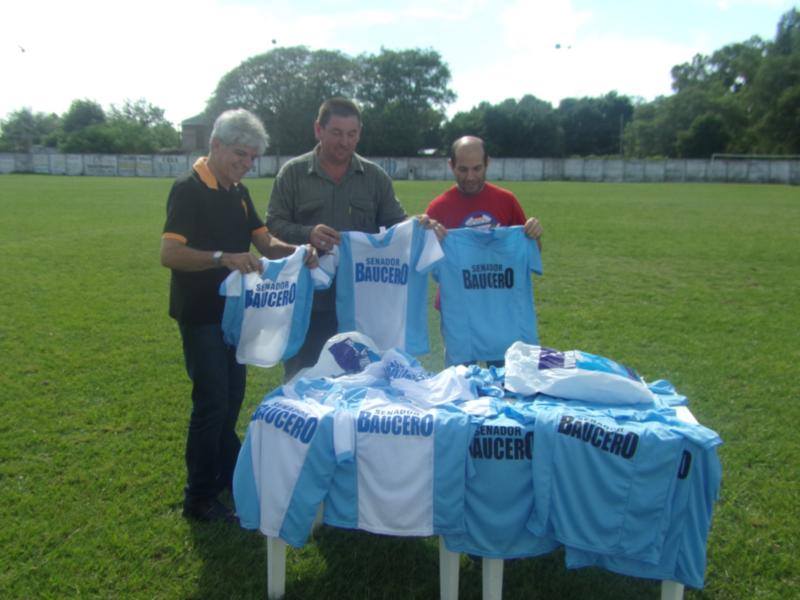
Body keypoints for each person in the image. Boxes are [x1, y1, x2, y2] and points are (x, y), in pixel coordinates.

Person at [161, 108, 313, 522]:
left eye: (252, 158)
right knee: (211, 403)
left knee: (230, 401)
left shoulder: (239, 192)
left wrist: (301, 252)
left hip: (238, 316)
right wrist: (221, 257)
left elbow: (265, 243)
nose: (246, 164)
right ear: (216, 145)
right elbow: (169, 253)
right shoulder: (188, 189)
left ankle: (228, 476)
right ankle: (198, 498)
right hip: (201, 314)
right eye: (240, 155)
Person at [266, 97, 442, 380]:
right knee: (303, 379)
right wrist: (307, 234)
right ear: (318, 129)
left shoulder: (374, 177)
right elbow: (273, 226)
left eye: (352, 134)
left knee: (361, 383)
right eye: (336, 133)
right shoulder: (293, 174)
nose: (344, 142)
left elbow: (396, 224)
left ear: (359, 133)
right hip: (309, 303)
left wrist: (418, 225)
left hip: (363, 307)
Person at [426, 135, 544, 367]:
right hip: (459, 312)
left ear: (487, 163)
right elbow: (427, 266)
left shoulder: (506, 201)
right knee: (462, 381)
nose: (470, 177)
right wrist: (428, 239)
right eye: (463, 169)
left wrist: (534, 236)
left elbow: (530, 254)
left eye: (477, 168)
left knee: (506, 381)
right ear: (451, 165)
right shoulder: (438, 208)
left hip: (502, 311)